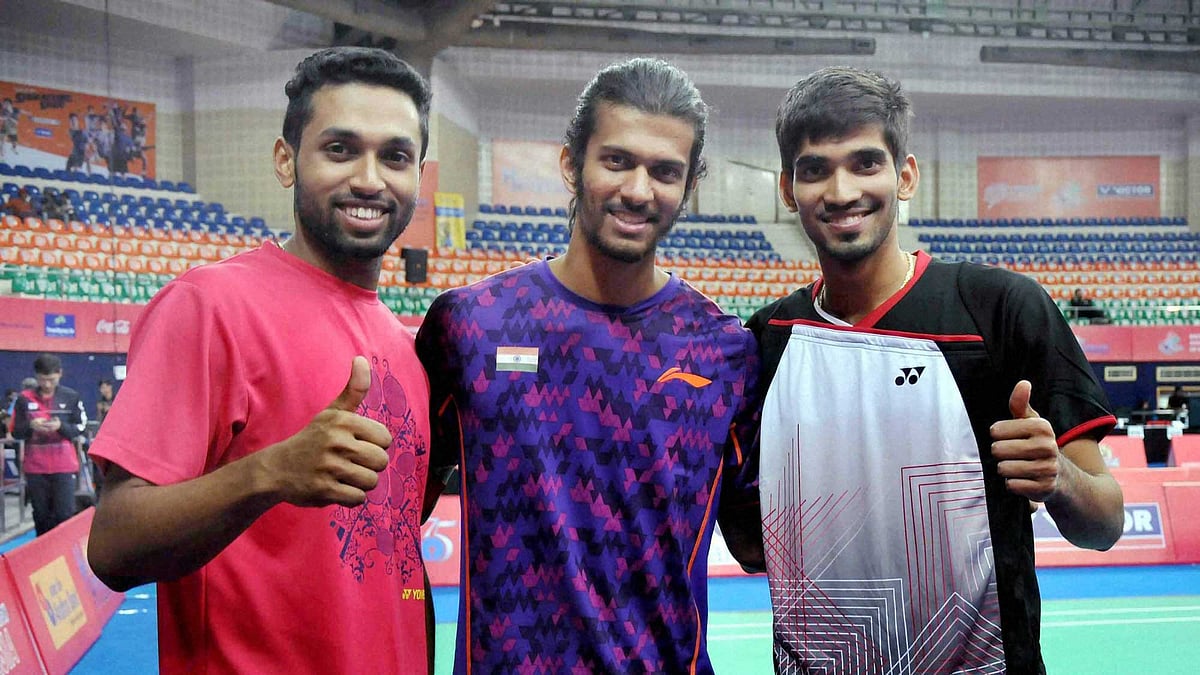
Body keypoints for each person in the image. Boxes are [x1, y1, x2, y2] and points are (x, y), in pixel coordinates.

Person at [739, 67, 1125, 673]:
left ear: (906, 175)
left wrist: (1057, 480)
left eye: (866, 163)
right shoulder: (764, 343)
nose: (841, 191)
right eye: (816, 169)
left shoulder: (1002, 310)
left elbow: (1104, 524)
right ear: (788, 189)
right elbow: (751, 550)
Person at [86, 46, 435, 674]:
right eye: (339, 149)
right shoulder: (209, 305)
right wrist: (270, 473)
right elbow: (113, 547)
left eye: (395, 156)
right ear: (286, 161)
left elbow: (398, 568)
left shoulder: (403, 345)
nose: (369, 178)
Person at [415, 57, 759, 674]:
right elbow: (396, 508)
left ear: (691, 183)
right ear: (572, 163)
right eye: (617, 161)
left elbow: (764, 542)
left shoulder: (724, 350)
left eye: (665, 171)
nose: (637, 190)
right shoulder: (470, 325)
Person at [11, 353, 87, 535]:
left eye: (51, 380)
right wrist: (31, 425)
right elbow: (16, 432)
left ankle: (66, 554)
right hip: (35, 468)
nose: (46, 385)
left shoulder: (71, 396)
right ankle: (43, 557)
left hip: (64, 466)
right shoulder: (24, 399)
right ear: (36, 376)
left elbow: (80, 427)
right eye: (42, 380)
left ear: (60, 374)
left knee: (65, 514)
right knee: (41, 515)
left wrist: (61, 427)